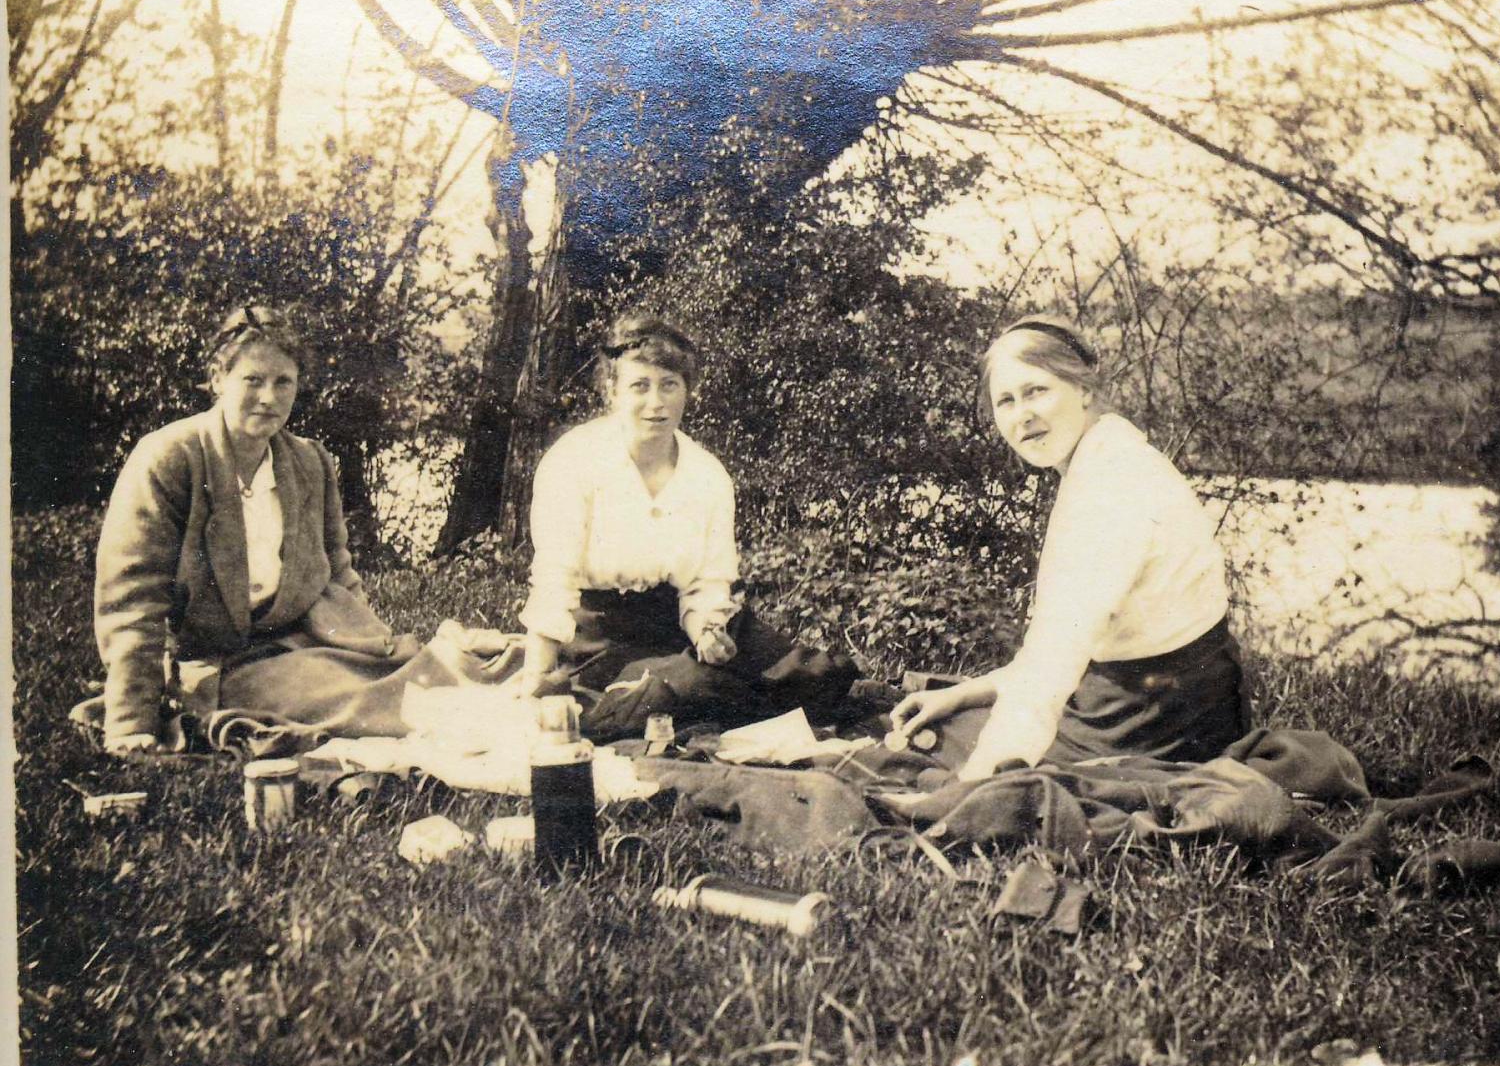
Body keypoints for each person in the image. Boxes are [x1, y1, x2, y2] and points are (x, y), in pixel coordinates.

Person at [889, 313, 1250, 782]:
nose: (1023, 416)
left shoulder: (1110, 486)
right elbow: (1070, 648)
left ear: (1082, 389)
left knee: (930, 746)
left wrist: (976, 782)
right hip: (1192, 704)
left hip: (1155, 726)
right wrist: (965, 692)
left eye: (1037, 391)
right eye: (1006, 401)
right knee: (948, 714)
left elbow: (1056, 658)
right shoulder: (1109, 453)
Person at [93, 305, 466, 753]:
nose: (268, 397)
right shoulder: (169, 459)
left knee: (435, 670)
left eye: (283, 382)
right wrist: (131, 724)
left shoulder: (309, 462)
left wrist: (368, 647)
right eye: (252, 380)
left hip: (302, 643)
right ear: (218, 380)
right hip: (219, 663)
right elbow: (134, 599)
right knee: (373, 703)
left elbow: (338, 572)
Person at [518, 310, 858, 735]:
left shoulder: (707, 475)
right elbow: (554, 578)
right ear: (613, 391)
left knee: (822, 678)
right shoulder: (575, 460)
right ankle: (667, 698)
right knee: (693, 693)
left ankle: (732, 695)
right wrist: (538, 676)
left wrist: (707, 632)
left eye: (669, 385)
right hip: (601, 640)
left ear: (687, 391)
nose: (656, 403)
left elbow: (707, 582)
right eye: (639, 386)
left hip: (675, 625)